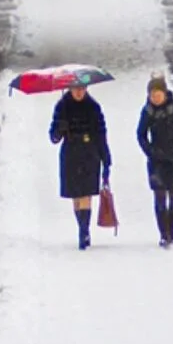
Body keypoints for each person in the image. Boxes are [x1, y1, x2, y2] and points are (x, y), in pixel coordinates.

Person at [135, 73, 173, 245]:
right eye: (152, 96)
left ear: (164, 93)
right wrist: (150, 151)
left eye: (158, 95)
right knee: (160, 198)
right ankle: (163, 233)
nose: (155, 98)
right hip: (157, 161)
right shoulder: (148, 111)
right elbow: (140, 134)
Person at [49, 79, 111, 249]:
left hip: (89, 153)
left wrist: (106, 158)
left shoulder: (93, 107)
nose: (79, 92)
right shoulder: (62, 107)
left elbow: (101, 134)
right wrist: (60, 129)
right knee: (76, 195)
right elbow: (53, 137)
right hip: (70, 153)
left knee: (85, 193)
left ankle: (84, 231)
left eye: (82, 88)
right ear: (69, 88)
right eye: (76, 88)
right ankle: (82, 227)